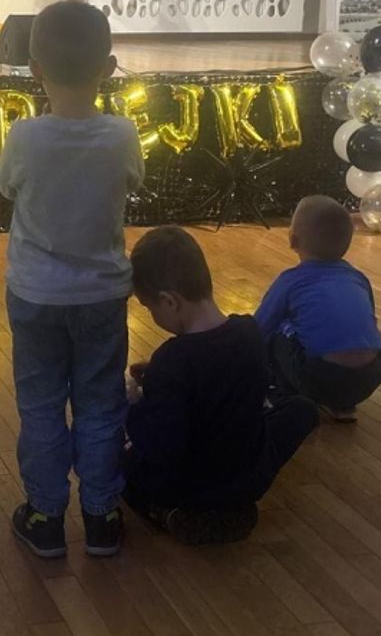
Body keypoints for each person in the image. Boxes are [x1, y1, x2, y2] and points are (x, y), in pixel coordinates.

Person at [0, 0, 145, 558]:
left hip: (35, 292)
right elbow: (133, 181)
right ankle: (102, 514)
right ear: (108, 68)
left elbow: (8, 188)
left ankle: (45, 516)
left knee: (40, 405)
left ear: (35, 70)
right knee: (101, 402)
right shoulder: (121, 134)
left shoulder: (24, 136)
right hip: (102, 293)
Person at [124, 227, 318, 545]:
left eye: (150, 308)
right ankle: (227, 507)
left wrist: (135, 406)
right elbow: (222, 380)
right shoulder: (249, 332)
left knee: (120, 464)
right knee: (301, 409)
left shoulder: (172, 360)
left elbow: (163, 445)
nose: (152, 315)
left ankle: (168, 512)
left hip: (189, 486)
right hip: (247, 479)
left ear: (169, 301)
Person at [255, 196, 381, 422]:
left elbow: (260, 327)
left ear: (293, 240)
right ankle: (344, 405)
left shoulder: (291, 281)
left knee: (280, 330)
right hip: (372, 373)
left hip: (319, 375)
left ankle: (283, 397)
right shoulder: (358, 278)